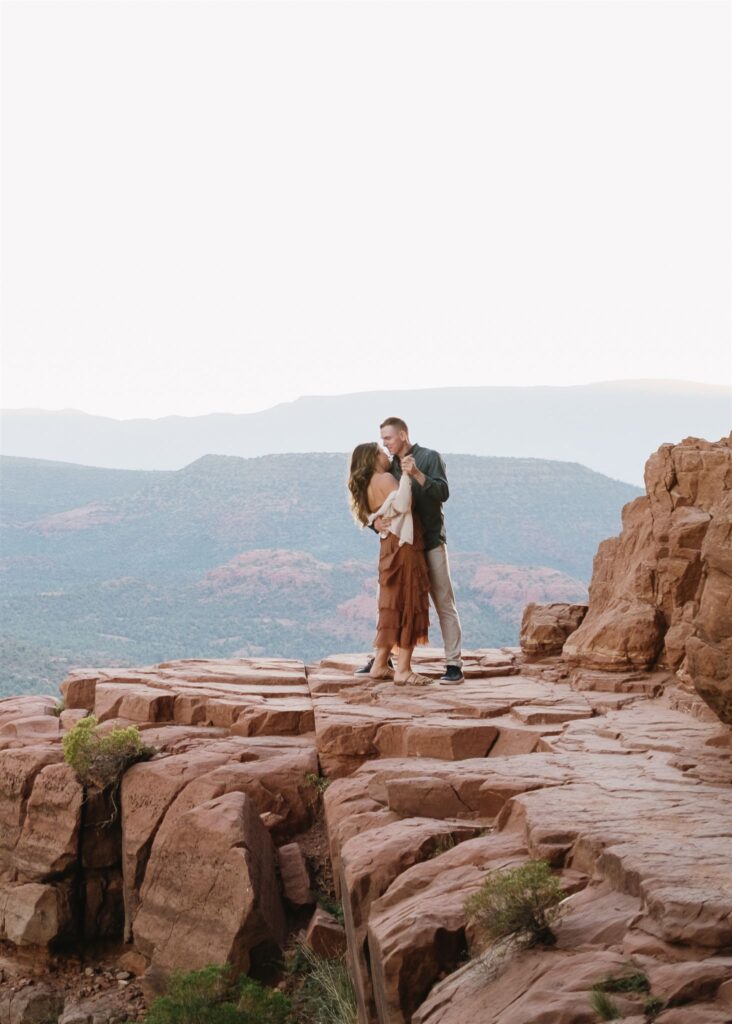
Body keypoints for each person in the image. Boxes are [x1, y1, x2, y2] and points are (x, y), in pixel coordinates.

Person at [358, 417, 464, 684]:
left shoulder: (429, 457)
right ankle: (383, 659)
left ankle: (454, 664)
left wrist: (416, 473)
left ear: (403, 435)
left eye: (389, 438)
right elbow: (379, 503)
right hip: (402, 547)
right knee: (392, 602)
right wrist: (373, 523)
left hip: (430, 541)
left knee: (443, 601)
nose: (385, 444)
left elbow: (443, 492)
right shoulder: (388, 467)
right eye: (383, 440)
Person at [347, 442, 433, 686]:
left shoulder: (366, 485)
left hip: (388, 546)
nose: (386, 455)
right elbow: (405, 505)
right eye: (382, 452)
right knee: (410, 601)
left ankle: (380, 664)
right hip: (404, 545)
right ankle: (403, 669)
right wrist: (406, 475)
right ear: (374, 457)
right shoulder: (385, 478)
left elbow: (375, 516)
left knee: (393, 603)